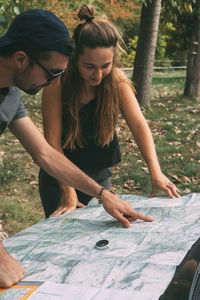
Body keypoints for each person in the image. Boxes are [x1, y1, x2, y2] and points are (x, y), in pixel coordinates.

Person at [0, 9, 153, 288]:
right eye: (53, 72)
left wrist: (103, 194)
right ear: (21, 59)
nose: (56, 82)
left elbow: (46, 153)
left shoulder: (11, 95)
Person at [39, 4, 180, 219]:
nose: (98, 74)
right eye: (89, 66)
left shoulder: (117, 81)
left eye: (105, 65)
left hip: (99, 173)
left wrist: (155, 170)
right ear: (75, 58)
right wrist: (67, 190)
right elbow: (52, 143)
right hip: (59, 177)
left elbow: (139, 125)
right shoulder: (56, 84)